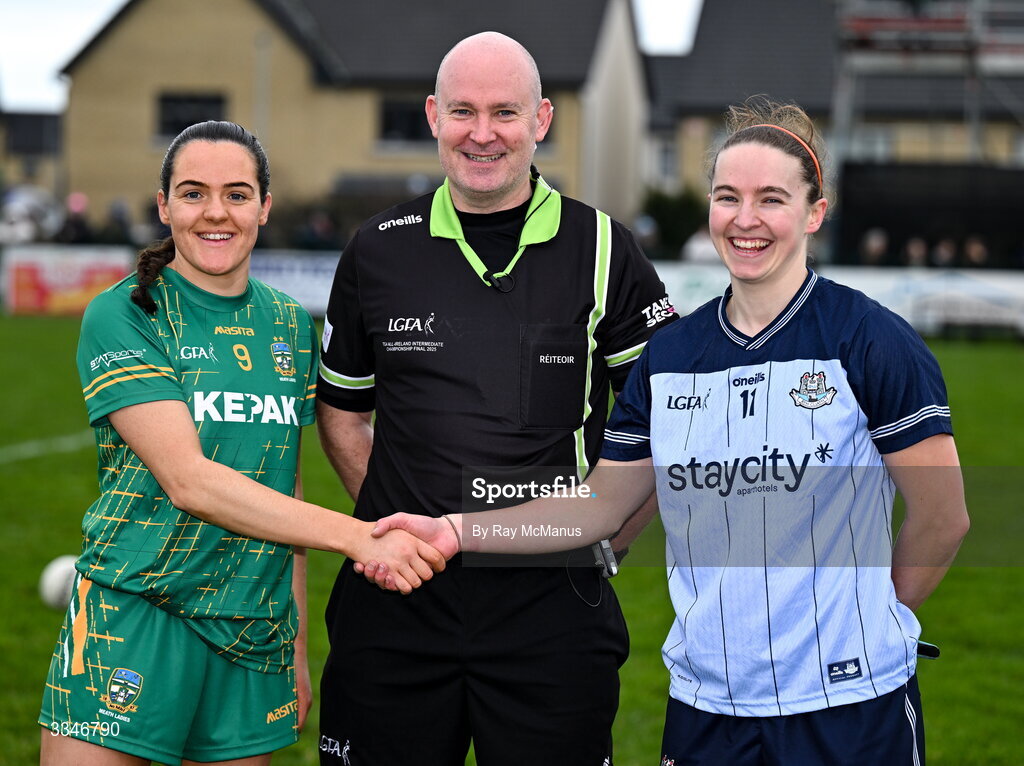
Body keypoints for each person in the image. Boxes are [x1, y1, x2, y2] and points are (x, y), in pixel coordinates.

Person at [372, 97, 970, 765]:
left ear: (814, 214)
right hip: (707, 710)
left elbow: (943, 518)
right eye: (727, 197)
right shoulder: (672, 355)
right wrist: (457, 529)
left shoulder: (871, 340)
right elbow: (598, 507)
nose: (746, 220)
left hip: (851, 711)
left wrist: (873, 621)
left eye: (771, 199)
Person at [316, 31, 678, 766]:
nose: (483, 134)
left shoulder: (607, 249)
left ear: (542, 119)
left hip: (551, 613)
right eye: (463, 112)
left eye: (505, 113)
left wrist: (609, 535)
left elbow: (667, 423)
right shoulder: (377, 248)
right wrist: (400, 534)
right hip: (397, 611)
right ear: (432, 116)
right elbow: (344, 414)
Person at [37, 121, 445, 766]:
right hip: (135, 615)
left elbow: (286, 486)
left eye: (237, 192)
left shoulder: (289, 322)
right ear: (164, 205)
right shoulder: (124, 313)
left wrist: (298, 645)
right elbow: (189, 481)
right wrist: (361, 536)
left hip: (254, 633)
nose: (216, 212)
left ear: (264, 207)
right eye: (194, 193)